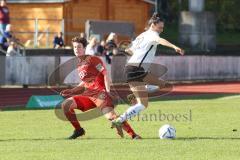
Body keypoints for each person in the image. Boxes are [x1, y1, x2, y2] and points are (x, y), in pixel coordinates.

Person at [112, 13, 184, 127]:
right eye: (160, 27)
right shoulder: (152, 34)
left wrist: (136, 53)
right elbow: (161, 40)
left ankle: (140, 91)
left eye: (162, 28)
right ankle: (119, 120)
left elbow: (128, 50)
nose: (161, 30)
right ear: (153, 25)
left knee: (162, 84)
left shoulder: (142, 35)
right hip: (135, 70)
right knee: (143, 105)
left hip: (138, 70)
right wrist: (174, 47)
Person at [60, 36, 140, 139]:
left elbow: (105, 74)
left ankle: (133, 135)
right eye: (75, 47)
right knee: (66, 105)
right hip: (88, 96)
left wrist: (107, 91)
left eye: (79, 47)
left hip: (100, 94)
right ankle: (79, 130)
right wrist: (72, 90)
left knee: (112, 117)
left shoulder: (93, 59)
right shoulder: (80, 64)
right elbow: (85, 82)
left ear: (84, 48)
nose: (76, 49)